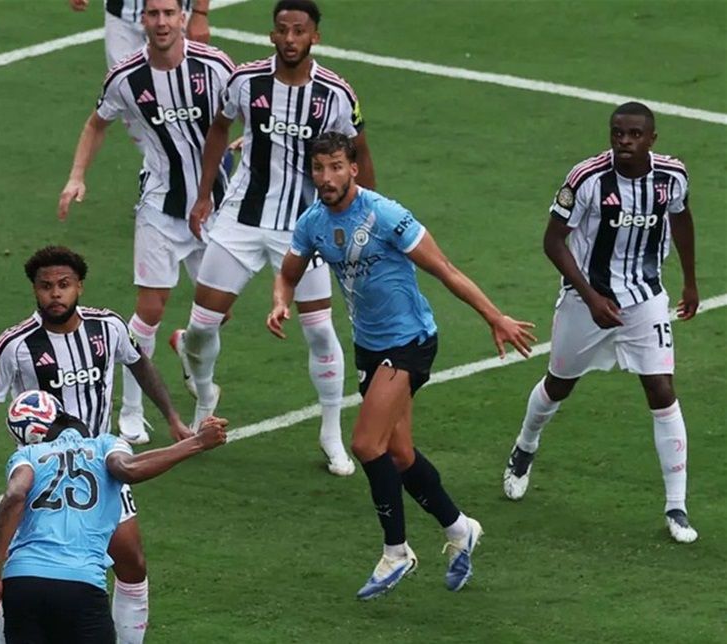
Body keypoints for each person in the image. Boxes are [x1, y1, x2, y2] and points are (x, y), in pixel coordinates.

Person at [268, 132, 535, 599]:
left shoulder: (385, 215)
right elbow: (288, 273)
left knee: (365, 443)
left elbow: (445, 269)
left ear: (353, 169)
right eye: (319, 168)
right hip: (369, 347)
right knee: (400, 454)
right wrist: (280, 301)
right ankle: (459, 528)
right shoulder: (312, 223)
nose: (326, 177)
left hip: (410, 341)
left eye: (336, 167)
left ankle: (396, 551)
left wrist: (495, 317)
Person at [176, 0, 376, 476]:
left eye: (299, 30)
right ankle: (204, 399)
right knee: (202, 326)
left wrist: (368, 217)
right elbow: (219, 128)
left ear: (314, 37)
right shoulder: (245, 81)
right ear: (272, 34)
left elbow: (360, 153)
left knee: (320, 330)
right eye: (283, 29)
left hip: (307, 227)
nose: (290, 38)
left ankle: (331, 432)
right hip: (241, 222)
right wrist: (204, 194)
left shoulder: (336, 94)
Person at [0, 245, 188, 643]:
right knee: (26, 561)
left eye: (64, 284)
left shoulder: (109, 327)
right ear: (35, 289)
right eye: (46, 286)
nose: (55, 293)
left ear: (79, 286)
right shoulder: (15, 344)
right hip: (41, 472)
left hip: (102, 465)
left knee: (132, 562)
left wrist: (172, 417)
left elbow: (139, 363)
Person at [501, 102, 699, 543]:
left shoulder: (672, 176)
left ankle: (677, 506)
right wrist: (590, 297)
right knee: (559, 384)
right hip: (585, 298)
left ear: (651, 139)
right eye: (617, 133)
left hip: (646, 298)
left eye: (634, 135)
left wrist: (690, 281)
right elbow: (553, 241)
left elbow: (682, 218)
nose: (624, 142)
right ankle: (525, 447)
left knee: (661, 389)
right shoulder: (587, 178)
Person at [58, 0, 235, 444]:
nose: (161, 22)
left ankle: (196, 367)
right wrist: (77, 175)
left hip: (215, 207)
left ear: (182, 17)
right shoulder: (125, 76)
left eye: (169, 13)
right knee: (150, 309)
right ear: (143, 20)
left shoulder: (215, 66)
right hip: (159, 204)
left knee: (217, 313)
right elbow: (96, 124)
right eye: (153, 14)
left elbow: (247, 109)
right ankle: (133, 410)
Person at [0, 393, 228, 643]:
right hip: (81, 582)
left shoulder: (27, 456)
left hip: (22, 580)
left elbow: (15, 495)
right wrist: (197, 442)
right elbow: (128, 468)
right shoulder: (104, 445)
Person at [69, 0, 212, 68]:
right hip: (122, 19)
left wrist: (200, 13)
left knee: (182, 96)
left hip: (171, 16)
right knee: (128, 97)